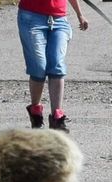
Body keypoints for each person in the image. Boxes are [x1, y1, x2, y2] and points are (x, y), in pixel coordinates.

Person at [17, 0, 89, 133]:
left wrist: (80, 14)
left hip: (60, 19)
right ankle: (35, 110)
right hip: (31, 18)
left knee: (57, 65)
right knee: (39, 67)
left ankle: (57, 117)